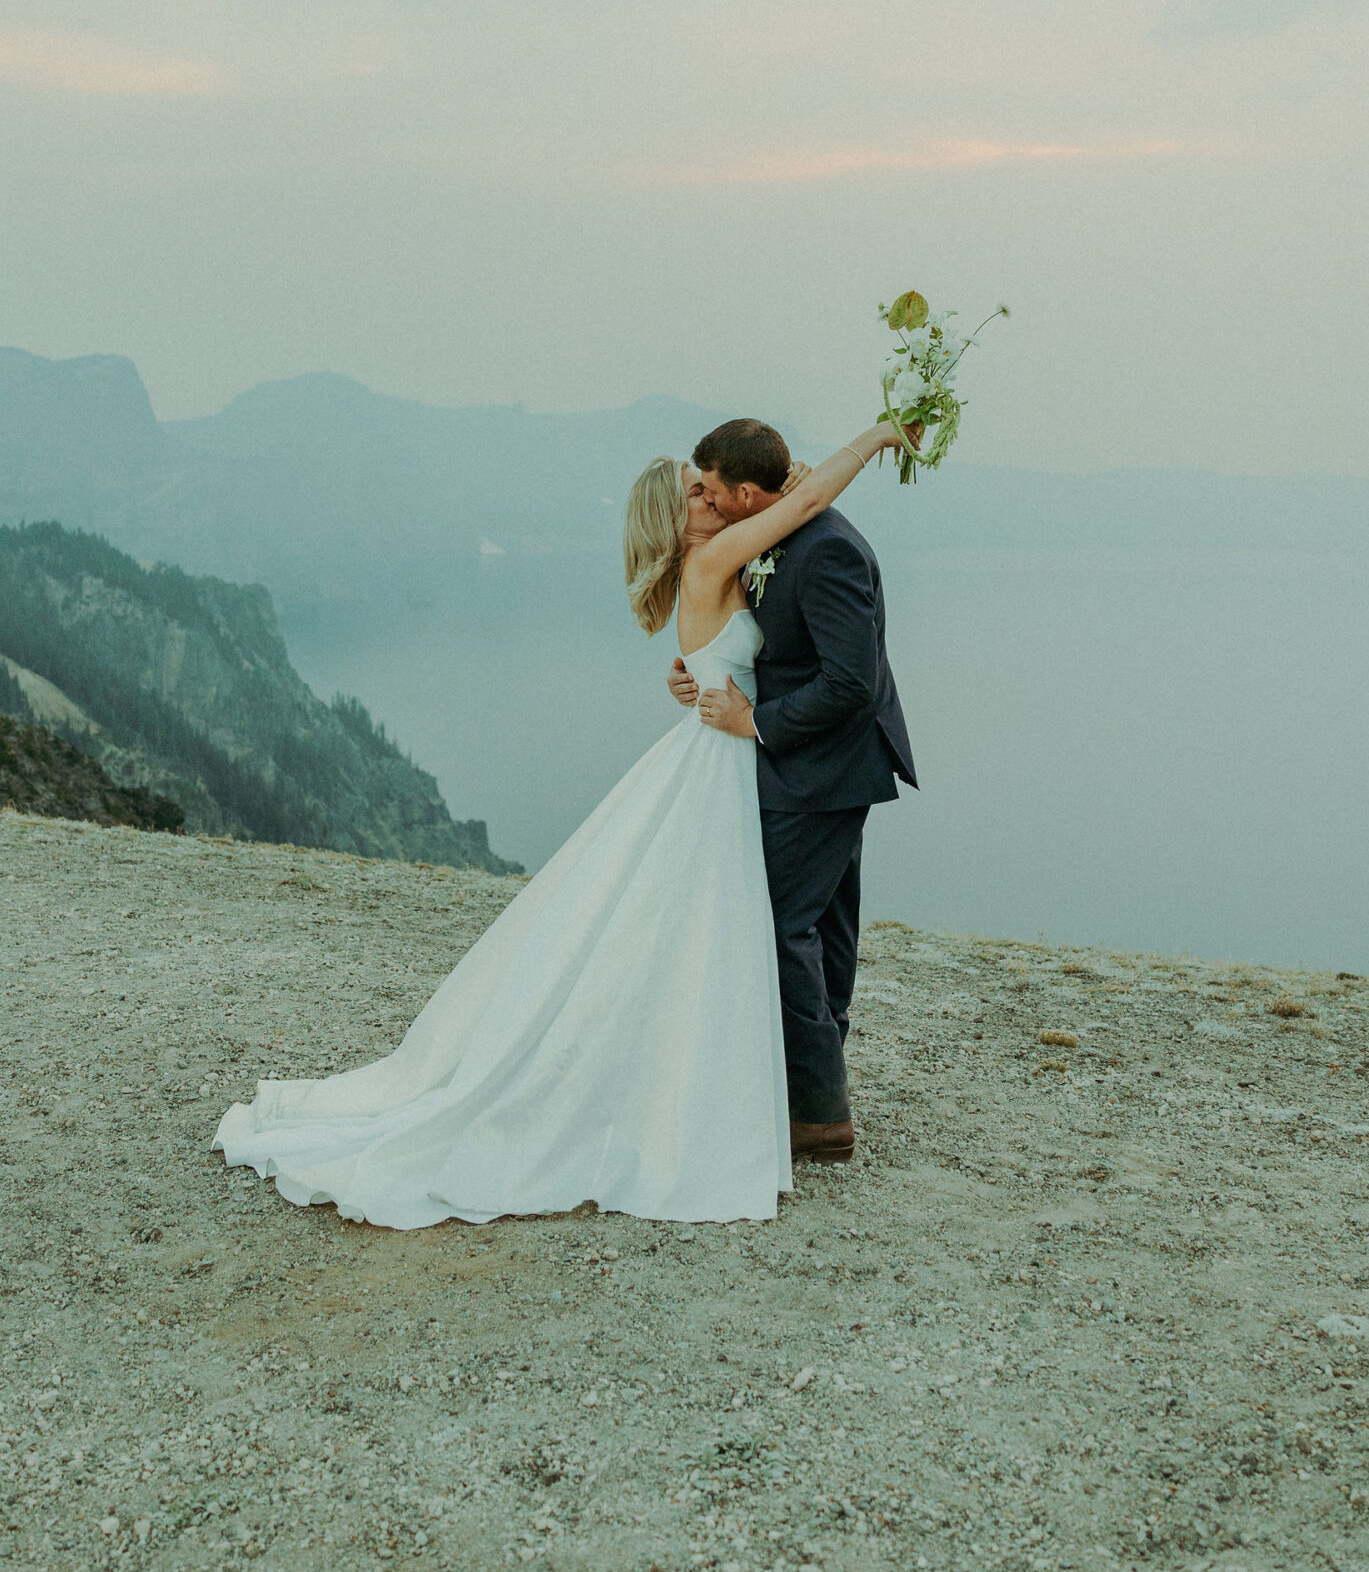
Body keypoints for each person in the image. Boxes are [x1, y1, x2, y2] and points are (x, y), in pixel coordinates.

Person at [213, 409, 906, 1229]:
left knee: (746, 925)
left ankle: (779, 1085)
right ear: (680, 514)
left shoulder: (714, 560)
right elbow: (800, 506)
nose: (711, 500)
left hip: (736, 758)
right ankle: (797, 1103)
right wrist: (876, 434)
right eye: (696, 492)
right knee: (759, 927)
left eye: (713, 488)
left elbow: (757, 597)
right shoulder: (717, 556)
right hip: (732, 758)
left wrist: (706, 682)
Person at [668, 419, 917, 1165]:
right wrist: (706, 676)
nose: (701, 499)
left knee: (779, 928)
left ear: (745, 492)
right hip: (811, 765)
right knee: (824, 927)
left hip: (821, 768)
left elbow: (850, 682)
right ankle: (813, 1081)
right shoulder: (772, 537)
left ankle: (817, 1115)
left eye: (708, 489)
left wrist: (754, 721)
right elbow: (774, 648)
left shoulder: (826, 547)